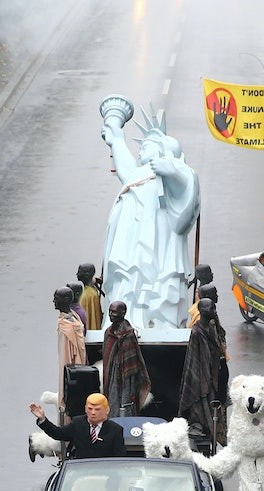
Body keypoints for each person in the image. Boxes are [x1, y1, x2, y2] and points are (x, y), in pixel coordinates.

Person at [100, 105, 200, 329]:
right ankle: (125, 318)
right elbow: (125, 166)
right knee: (127, 278)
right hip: (130, 246)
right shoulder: (138, 175)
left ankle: (157, 321)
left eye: (145, 147)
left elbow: (188, 184)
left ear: (162, 151)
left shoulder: (167, 172)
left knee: (149, 278)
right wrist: (116, 138)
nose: (140, 152)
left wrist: (171, 170)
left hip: (156, 247)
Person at [179, 294, 229, 443]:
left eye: (213, 307)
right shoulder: (197, 332)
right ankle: (197, 424)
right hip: (201, 374)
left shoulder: (213, 327)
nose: (213, 309)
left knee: (214, 400)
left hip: (215, 372)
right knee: (200, 397)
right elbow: (194, 360)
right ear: (202, 310)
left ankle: (209, 426)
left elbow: (220, 346)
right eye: (210, 307)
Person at [29, 392, 125, 459]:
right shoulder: (78, 423)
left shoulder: (115, 430)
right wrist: (42, 419)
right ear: (85, 409)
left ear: (107, 410)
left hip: (105, 475)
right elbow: (57, 433)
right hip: (80, 474)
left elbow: (119, 460)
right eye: (90, 409)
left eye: (97, 409)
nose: (93, 413)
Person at [101, 300, 151, 416]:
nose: (110, 315)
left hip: (126, 376)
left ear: (123, 313)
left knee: (126, 400)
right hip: (111, 374)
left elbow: (133, 360)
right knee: (111, 399)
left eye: (114, 312)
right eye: (109, 312)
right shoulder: (108, 332)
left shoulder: (128, 334)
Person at [77, 263, 103, 329]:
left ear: (86, 275)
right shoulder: (91, 291)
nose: (77, 274)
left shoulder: (87, 296)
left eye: (79, 272)